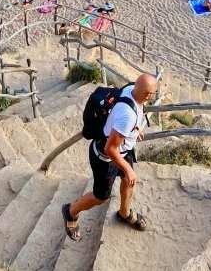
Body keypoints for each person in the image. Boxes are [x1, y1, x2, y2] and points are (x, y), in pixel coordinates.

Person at [62, 73, 156, 240]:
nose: (153, 96)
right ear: (147, 95)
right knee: (100, 197)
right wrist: (127, 168)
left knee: (128, 181)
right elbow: (110, 149)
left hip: (124, 150)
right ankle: (70, 211)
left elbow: (126, 112)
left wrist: (135, 128)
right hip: (105, 158)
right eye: (152, 93)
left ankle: (124, 213)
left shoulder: (130, 89)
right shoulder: (127, 117)